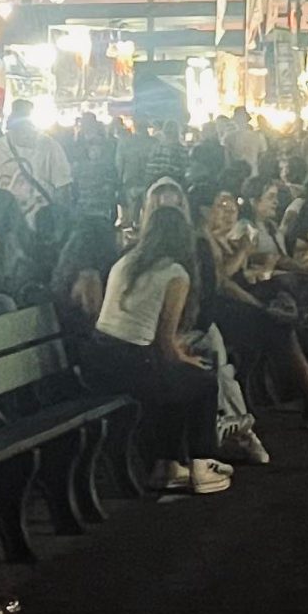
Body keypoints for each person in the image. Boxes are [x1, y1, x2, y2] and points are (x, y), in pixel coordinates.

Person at [84, 202, 229, 495]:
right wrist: (188, 360)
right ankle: (202, 465)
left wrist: (181, 359)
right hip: (134, 364)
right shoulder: (175, 273)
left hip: (99, 361)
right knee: (202, 382)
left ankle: (168, 467)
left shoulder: (126, 262)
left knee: (176, 381)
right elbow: (165, 343)